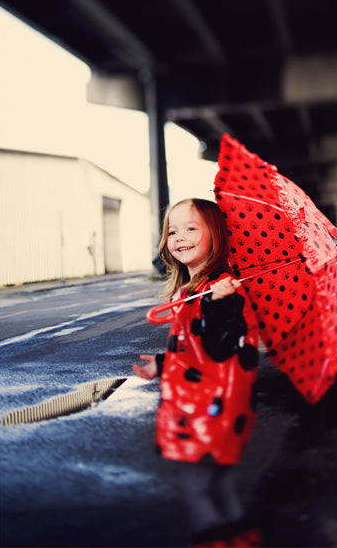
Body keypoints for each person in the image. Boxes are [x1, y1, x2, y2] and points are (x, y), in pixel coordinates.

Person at [134, 198, 262, 547]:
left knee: (195, 489)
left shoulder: (223, 290)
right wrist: (162, 364)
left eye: (191, 228)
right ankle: (243, 538)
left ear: (215, 236)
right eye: (173, 230)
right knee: (220, 485)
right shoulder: (189, 290)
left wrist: (222, 305)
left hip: (209, 408)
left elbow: (222, 346)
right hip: (203, 402)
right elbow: (194, 348)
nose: (180, 237)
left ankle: (215, 540)